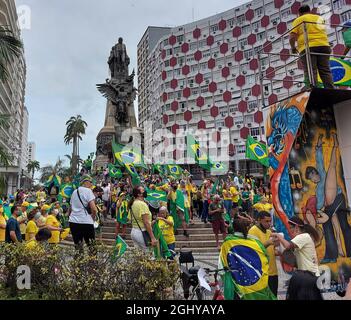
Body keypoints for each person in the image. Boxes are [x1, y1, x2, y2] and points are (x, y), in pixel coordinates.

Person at [273, 216, 323, 300]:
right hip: (308, 275)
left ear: (296, 227)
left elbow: (288, 246)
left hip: (309, 276)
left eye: (291, 227)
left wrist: (279, 237)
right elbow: (292, 254)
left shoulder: (303, 236)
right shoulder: (303, 237)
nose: (290, 230)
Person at [290, 5, 334, 89]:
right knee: (325, 70)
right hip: (324, 45)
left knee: (310, 70)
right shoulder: (319, 18)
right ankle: (331, 89)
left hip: (308, 47)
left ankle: (312, 89)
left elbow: (292, 36)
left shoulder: (299, 20)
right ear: (309, 11)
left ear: (299, 13)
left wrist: (293, 47)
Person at [248, 211, 279, 297]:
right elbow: (253, 250)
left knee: (273, 295)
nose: (269, 223)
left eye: (270, 221)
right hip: (262, 272)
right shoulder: (253, 231)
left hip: (273, 271)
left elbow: (271, 251)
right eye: (266, 221)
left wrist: (278, 250)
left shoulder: (269, 232)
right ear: (259, 220)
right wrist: (268, 243)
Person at [69, 175, 97, 252]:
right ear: (86, 182)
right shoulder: (88, 191)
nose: (91, 184)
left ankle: (78, 263)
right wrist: (93, 218)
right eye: (91, 182)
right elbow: (94, 209)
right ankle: (93, 263)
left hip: (73, 221)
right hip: (86, 221)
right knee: (91, 247)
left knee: (78, 246)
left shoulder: (74, 192)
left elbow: (70, 208)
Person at [129, 186, 157, 250]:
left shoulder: (133, 203)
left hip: (134, 231)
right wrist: (152, 237)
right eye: (143, 190)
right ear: (139, 194)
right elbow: (146, 222)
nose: (145, 191)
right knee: (148, 255)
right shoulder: (142, 204)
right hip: (142, 232)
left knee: (139, 256)